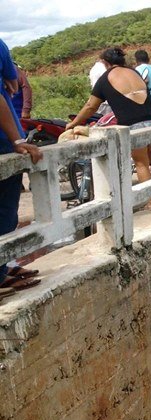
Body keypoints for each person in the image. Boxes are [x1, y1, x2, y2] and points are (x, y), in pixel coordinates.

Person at [65, 47, 151, 210]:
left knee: (141, 164)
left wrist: (74, 123)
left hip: (134, 122)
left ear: (105, 63)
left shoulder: (105, 79)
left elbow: (91, 106)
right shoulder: (134, 72)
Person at [0, 38, 42, 294]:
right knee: (5, 211)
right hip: (2, 141)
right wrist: (16, 138)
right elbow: (12, 81)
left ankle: (2, 267)